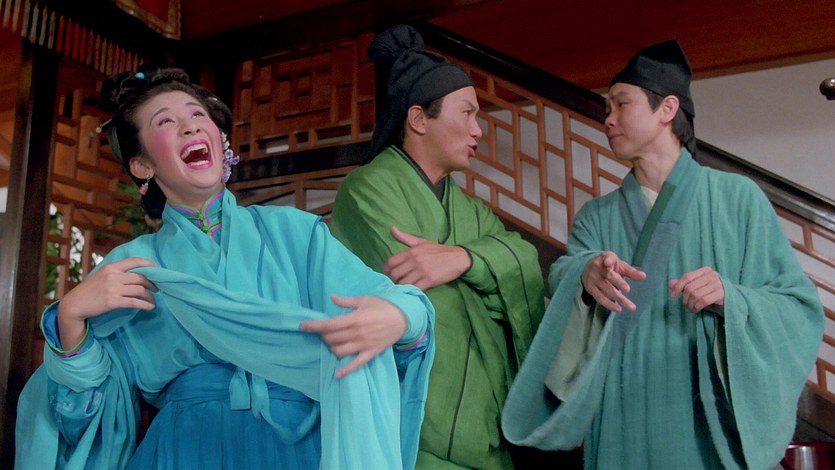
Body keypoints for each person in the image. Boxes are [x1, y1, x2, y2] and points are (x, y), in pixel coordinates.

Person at [15, 66, 436, 470]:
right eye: (166, 121)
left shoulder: (294, 233)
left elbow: (397, 305)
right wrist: (70, 318)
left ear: (221, 139)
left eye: (198, 115)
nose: (190, 127)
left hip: (300, 446)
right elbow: (83, 420)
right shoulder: (131, 267)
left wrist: (400, 315)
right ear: (142, 165)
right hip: (183, 450)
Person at [501, 39, 825, 469]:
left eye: (621, 104)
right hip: (619, 419)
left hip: (705, 423)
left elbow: (798, 308)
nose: (608, 118)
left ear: (667, 109)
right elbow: (563, 276)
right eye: (607, 108)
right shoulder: (597, 217)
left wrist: (732, 298)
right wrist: (584, 276)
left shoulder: (737, 199)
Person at [330, 25, 545, 469]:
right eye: (467, 113)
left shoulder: (472, 210)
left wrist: (462, 258)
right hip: (415, 429)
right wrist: (488, 274)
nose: (478, 130)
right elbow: (416, 292)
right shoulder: (368, 189)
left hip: (489, 430)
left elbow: (525, 261)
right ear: (419, 119)